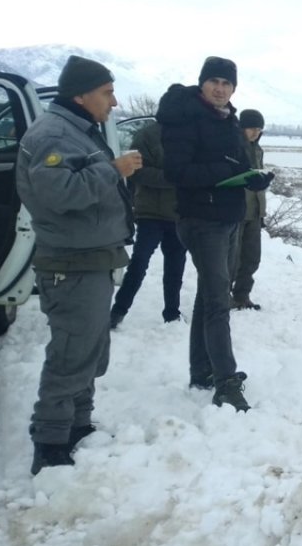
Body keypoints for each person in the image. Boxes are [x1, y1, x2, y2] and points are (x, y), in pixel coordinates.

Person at [15, 55, 139, 474]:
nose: (114, 101)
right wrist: (114, 169)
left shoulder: (77, 130)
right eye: (106, 93)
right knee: (71, 353)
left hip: (90, 257)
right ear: (80, 95)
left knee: (89, 348)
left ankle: (78, 425)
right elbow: (61, 194)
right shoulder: (54, 135)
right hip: (71, 262)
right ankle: (50, 442)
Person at [159, 56, 273, 412]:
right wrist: (221, 171)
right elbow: (176, 172)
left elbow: (234, 163)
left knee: (210, 296)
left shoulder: (228, 119)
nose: (221, 89)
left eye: (227, 83)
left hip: (228, 216)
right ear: (202, 83)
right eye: (215, 82)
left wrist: (251, 177)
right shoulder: (185, 117)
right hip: (201, 219)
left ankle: (201, 370)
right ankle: (225, 382)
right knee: (218, 303)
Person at [109, 121, 187, 328]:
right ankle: (118, 311)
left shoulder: (190, 135)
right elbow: (136, 171)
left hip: (178, 213)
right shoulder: (148, 135)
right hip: (150, 212)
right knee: (139, 263)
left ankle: (172, 314)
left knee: (176, 266)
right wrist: (173, 178)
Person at [230, 109, 266, 310]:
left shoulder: (258, 149)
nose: (255, 132)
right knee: (231, 260)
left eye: (259, 129)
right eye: (252, 128)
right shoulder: (234, 147)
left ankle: (242, 295)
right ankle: (223, 295)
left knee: (252, 258)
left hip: (255, 211)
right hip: (236, 209)